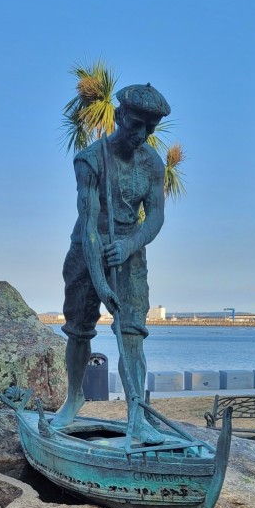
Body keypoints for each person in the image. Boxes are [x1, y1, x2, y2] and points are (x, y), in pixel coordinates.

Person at [51, 83, 170, 444]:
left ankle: (137, 413)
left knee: (132, 333)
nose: (142, 134)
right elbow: (88, 224)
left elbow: (155, 217)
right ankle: (74, 396)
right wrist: (101, 283)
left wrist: (130, 244)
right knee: (79, 329)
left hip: (129, 253)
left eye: (150, 128)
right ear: (119, 116)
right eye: (136, 124)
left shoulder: (153, 165)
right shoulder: (90, 160)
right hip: (87, 249)